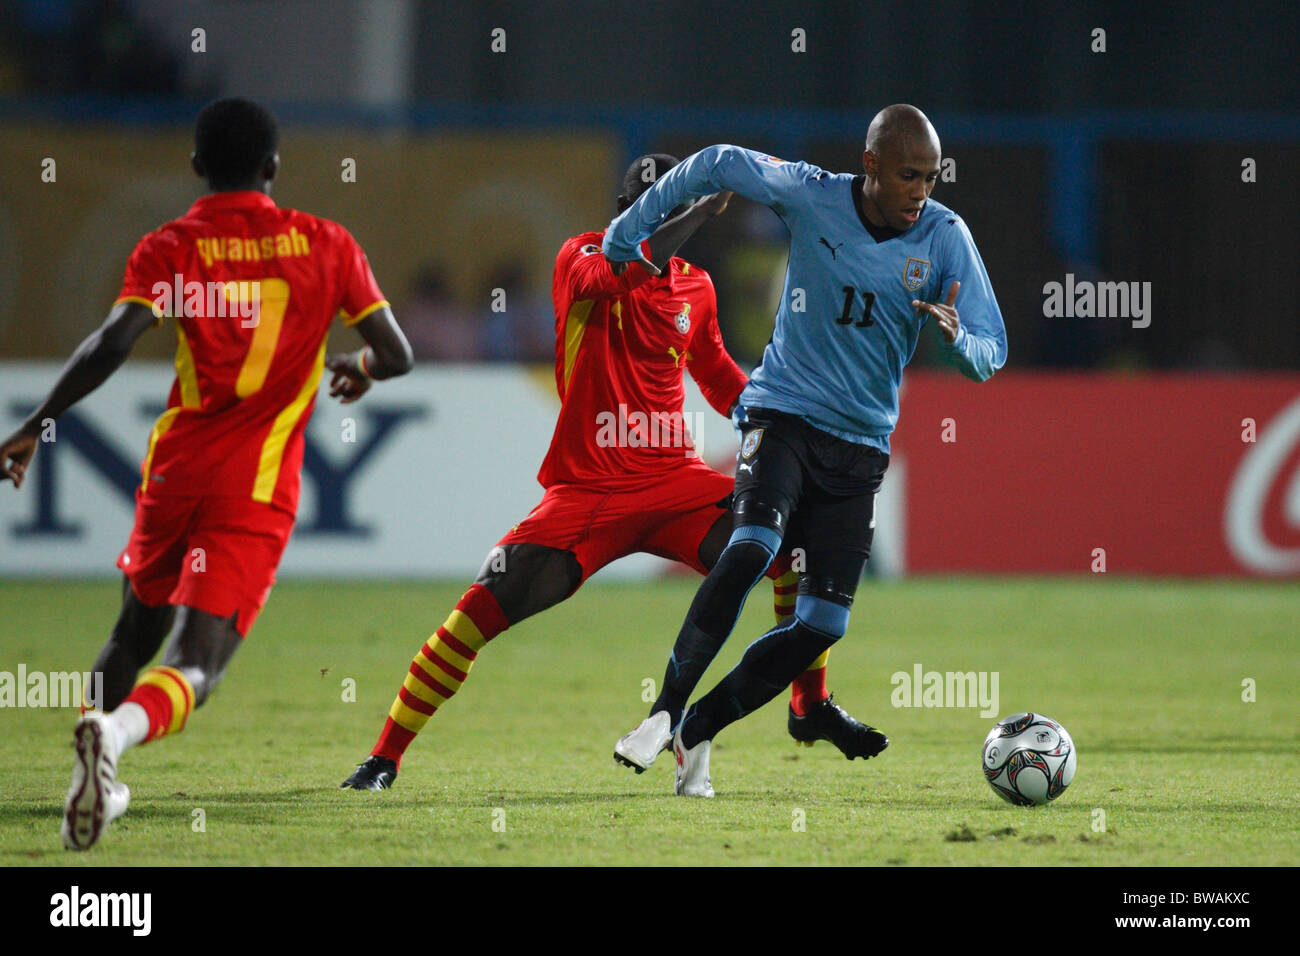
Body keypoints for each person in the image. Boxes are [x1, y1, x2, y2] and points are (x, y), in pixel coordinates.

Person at [341, 154, 882, 791]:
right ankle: (383, 758)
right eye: (640, 200)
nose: (650, 208)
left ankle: (807, 705)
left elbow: (714, 373)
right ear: (624, 207)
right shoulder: (582, 259)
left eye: (665, 198)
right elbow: (628, 266)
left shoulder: (697, 289)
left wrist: (769, 418)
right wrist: (687, 209)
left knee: (795, 549)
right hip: (588, 490)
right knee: (478, 610)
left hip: (676, 484)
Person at [0, 97, 413, 848]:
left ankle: (90, 776)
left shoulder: (172, 245)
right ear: (274, 167)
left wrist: (35, 424)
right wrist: (357, 366)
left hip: (174, 473)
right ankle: (115, 737)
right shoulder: (326, 243)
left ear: (196, 166)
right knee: (201, 664)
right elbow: (399, 353)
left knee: (133, 630)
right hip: (251, 488)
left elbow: (111, 342)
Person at [604, 105, 1008, 796]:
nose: (922, 190)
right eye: (909, 175)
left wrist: (956, 341)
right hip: (783, 412)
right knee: (752, 544)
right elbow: (719, 158)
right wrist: (626, 236)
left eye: (932, 178)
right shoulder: (812, 192)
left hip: (860, 444)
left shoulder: (946, 237)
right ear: (872, 165)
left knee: (823, 624)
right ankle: (662, 711)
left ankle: (697, 728)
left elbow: (989, 350)